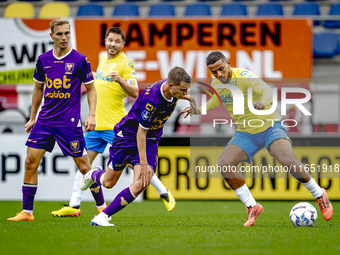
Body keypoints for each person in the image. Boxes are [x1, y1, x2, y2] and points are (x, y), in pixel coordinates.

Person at [182, 51, 333, 226]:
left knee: (287, 161)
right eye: (214, 72)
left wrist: (263, 103)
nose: (219, 74)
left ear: (228, 63)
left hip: (269, 126)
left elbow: (266, 91)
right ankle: (252, 206)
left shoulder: (245, 76)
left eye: (221, 69)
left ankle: (320, 194)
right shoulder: (217, 82)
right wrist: (198, 109)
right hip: (246, 133)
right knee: (224, 164)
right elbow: (217, 99)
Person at [51, 27, 176, 218]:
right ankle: (75, 205)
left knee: (134, 163)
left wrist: (120, 80)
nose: (112, 44)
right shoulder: (102, 59)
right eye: (110, 40)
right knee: (84, 165)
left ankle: (163, 192)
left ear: (123, 44)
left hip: (115, 125)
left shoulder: (125, 64)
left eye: (117, 41)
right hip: (96, 124)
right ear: (105, 40)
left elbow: (135, 92)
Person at [7, 18, 100, 221]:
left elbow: (91, 89)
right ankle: (27, 212)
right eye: (59, 34)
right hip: (45, 121)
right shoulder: (43, 60)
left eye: (67, 33)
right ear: (52, 36)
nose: (64, 37)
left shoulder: (80, 60)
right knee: (30, 161)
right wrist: (32, 117)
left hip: (69, 122)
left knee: (85, 168)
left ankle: (102, 210)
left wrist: (91, 114)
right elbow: (38, 89)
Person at [79, 66, 194, 226]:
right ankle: (95, 174)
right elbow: (141, 133)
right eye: (183, 91)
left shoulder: (173, 89)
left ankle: (102, 216)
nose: (185, 94)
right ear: (170, 86)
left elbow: (183, 95)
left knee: (142, 182)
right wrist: (144, 164)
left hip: (150, 140)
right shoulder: (152, 100)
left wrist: (192, 101)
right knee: (108, 183)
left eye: (187, 90)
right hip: (128, 137)